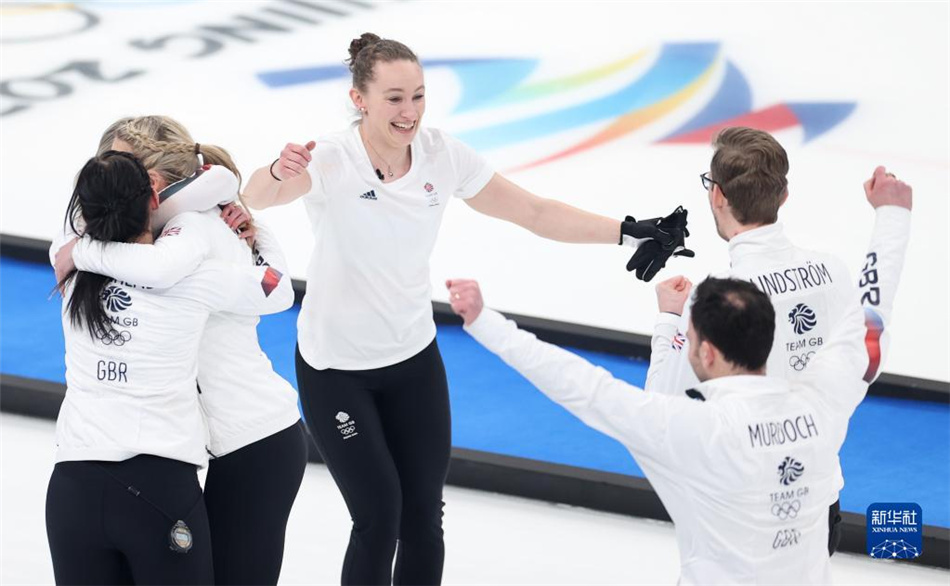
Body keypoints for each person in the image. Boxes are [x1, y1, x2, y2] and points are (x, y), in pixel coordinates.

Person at [239, 33, 692, 585]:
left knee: (424, 519)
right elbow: (259, 197)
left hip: (412, 360)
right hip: (335, 371)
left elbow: (534, 211)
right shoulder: (333, 158)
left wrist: (627, 232)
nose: (410, 112)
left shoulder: (441, 155)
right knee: (379, 516)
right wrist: (277, 172)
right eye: (395, 98)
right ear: (360, 98)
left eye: (419, 96)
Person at [445, 171, 910, 584]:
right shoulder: (823, 401)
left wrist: (486, 322)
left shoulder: (691, 431)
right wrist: (892, 214)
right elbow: (872, 309)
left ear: (705, 351)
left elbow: (581, 385)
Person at [52, 115, 309, 586]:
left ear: (153, 181)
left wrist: (257, 230)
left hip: (251, 438)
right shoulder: (105, 226)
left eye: (119, 164)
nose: (104, 174)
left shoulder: (195, 231)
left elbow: (275, 291)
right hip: (185, 451)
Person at [644, 127, 910, 553]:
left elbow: (660, 407)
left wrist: (668, 323)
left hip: (741, 516)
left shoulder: (716, 301)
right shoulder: (832, 272)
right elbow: (870, 335)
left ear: (717, 196)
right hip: (818, 509)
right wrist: (893, 217)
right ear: (783, 196)